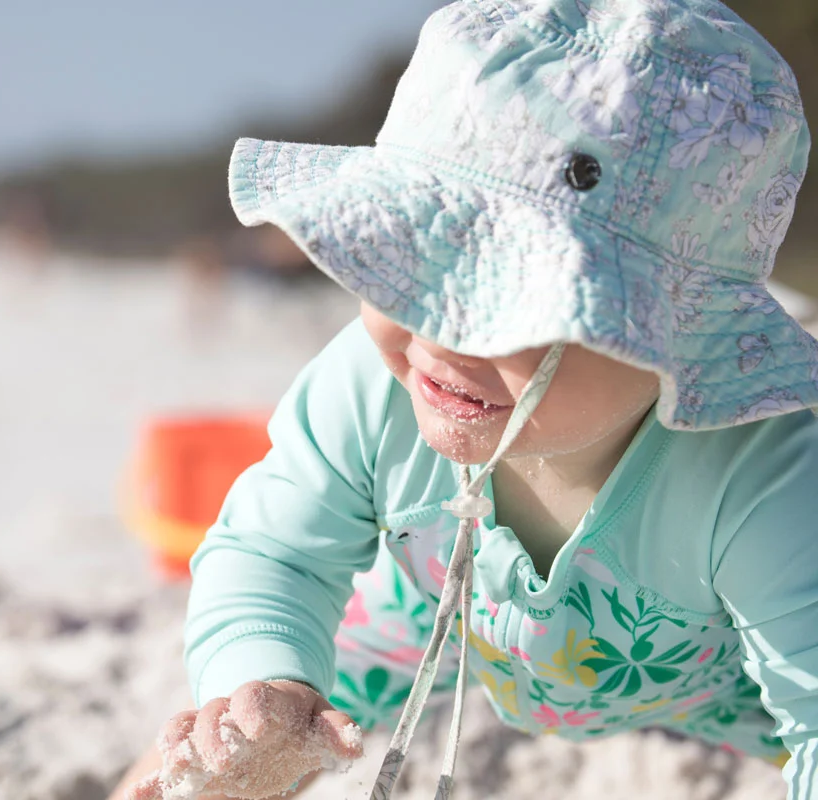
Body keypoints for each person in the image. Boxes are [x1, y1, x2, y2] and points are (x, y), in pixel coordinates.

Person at [110, 0, 818, 797]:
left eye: (520, 300)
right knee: (231, 737)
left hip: (719, 678)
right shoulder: (375, 385)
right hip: (445, 622)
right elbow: (278, 552)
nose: (444, 337)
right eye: (416, 263)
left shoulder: (764, 474)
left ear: (679, 337)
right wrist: (263, 683)